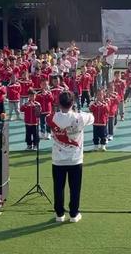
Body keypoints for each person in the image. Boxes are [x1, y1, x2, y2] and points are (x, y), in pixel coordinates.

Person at [46, 90, 94, 223]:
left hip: (58, 160)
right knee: (75, 188)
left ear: (59, 103)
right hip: (75, 159)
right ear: (72, 103)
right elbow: (92, 116)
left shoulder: (52, 117)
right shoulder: (80, 117)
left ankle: (59, 214)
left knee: (58, 187)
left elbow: (47, 118)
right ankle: (74, 214)